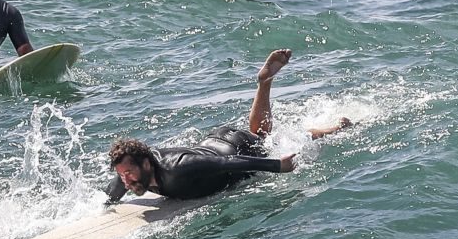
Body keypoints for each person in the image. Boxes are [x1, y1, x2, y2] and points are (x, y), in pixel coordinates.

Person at [106, 49, 352, 203]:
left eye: (128, 174)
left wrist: (278, 165)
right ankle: (264, 83)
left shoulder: (178, 169)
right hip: (214, 142)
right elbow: (114, 191)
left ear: (147, 163)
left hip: (234, 150)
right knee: (263, 134)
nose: (125, 180)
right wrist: (107, 205)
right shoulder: (130, 174)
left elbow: (225, 164)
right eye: (122, 175)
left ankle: (334, 127)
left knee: (275, 141)